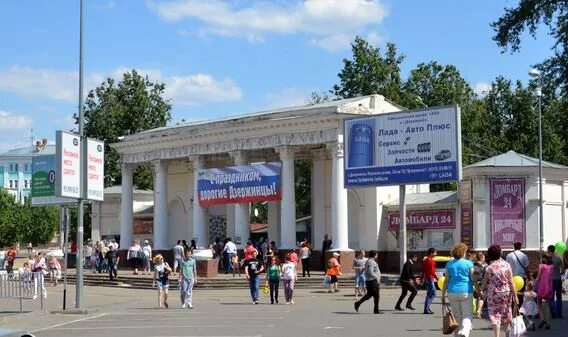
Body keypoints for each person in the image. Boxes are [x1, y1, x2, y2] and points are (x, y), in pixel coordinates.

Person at [441, 243, 477, 337]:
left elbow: (446, 280)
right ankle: (465, 331)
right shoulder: (468, 263)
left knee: (456, 315)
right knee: (467, 314)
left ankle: (457, 335)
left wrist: (442, 295)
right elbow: (473, 279)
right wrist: (479, 290)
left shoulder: (449, 264)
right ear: (463, 252)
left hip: (452, 291)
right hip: (466, 291)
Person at [481, 245, 517, 337]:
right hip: (506, 292)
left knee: (494, 314)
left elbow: (485, 282)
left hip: (493, 293)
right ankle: (507, 335)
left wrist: (481, 290)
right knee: (506, 313)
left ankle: (497, 335)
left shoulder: (489, 267)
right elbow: (511, 281)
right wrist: (515, 295)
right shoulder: (507, 265)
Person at [535, 254, 553, 329]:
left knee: (539, 304)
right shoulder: (552, 267)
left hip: (541, 287)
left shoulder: (541, 266)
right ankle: (548, 322)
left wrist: (533, 283)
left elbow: (538, 277)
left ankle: (542, 319)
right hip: (549, 287)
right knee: (547, 305)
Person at [547, 244, 564, 318]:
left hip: (550, 280)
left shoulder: (547, 259)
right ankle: (559, 314)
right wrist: (559, 273)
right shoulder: (559, 258)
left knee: (551, 297)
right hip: (558, 278)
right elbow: (562, 269)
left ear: (549, 250)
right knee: (559, 297)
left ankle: (553, 314)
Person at [422, 248, 438, 314]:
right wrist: (437, 278)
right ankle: (426, 309)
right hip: (430, 278)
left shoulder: (426, 260)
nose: (436, 254)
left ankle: (426, 309)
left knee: (429, 294)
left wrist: (421, 277)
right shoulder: (430, 260)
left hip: (427, 278)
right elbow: (432, 271)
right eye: (435, 253)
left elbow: (423, 270)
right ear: (431, 253)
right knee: (433, 294)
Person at [473, 252, 487, 318]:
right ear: (481, 258)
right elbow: (486, 275)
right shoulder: (485, 265)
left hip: (475, 282)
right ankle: (479, 310)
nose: (484, 258)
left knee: (477, 297)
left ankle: (477, 311)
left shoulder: (473, 265)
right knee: (481, 297)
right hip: (482, 282)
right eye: (484, 257)